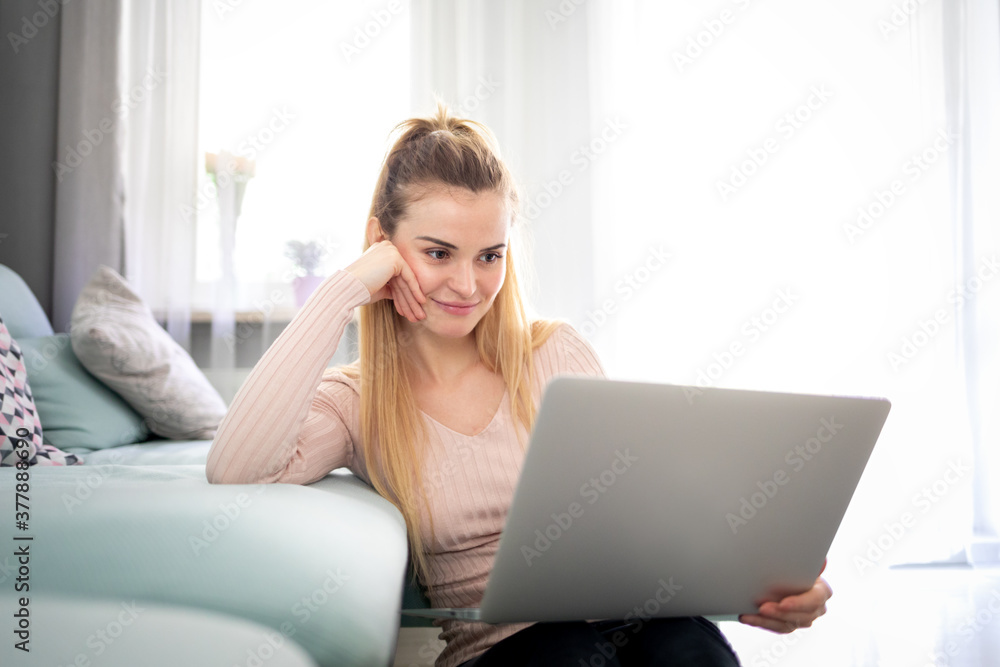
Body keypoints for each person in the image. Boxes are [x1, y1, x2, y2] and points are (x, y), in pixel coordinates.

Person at [206, 103, 832, 667]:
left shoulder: (554, 353)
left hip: (638, 621)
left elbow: (649, 512)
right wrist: (347, 287)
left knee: (688, 651)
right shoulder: (357, 403)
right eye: (438, 253)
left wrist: (764, 578)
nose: (469, 285)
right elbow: (237, 464)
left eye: (490, 256)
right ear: (382, 243)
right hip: (506, 649)